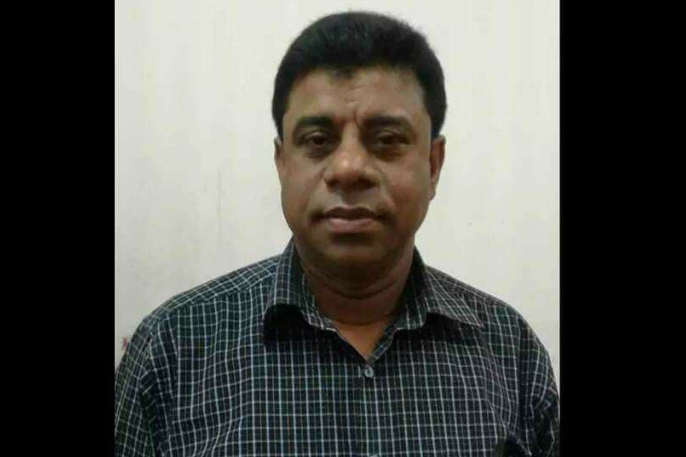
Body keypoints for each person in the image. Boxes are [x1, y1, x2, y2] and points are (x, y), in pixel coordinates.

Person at [115, 11, 559, 457]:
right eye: (317, 140)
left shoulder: (510, 351)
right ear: (282, 163)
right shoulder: (173, 348)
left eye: (387, 139)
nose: (348, 168)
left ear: (432, 164)